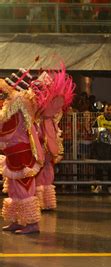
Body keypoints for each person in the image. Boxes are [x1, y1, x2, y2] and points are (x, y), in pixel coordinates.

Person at [0, 69, 44, 234]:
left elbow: (6, 132)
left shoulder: (15, 110)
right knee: (14, 188)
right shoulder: (17, 108)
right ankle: (18, 220)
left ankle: (32, 224)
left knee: (23, 189)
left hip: (20, 153)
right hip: (14, 153)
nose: (5, 96)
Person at [35, 66, 75, 209]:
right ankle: (46, 201)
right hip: (49, 133)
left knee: (41, 166)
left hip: (44, 133)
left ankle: (41, 201)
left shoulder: (47, 108)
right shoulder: (56, 105)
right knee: (46, 166)